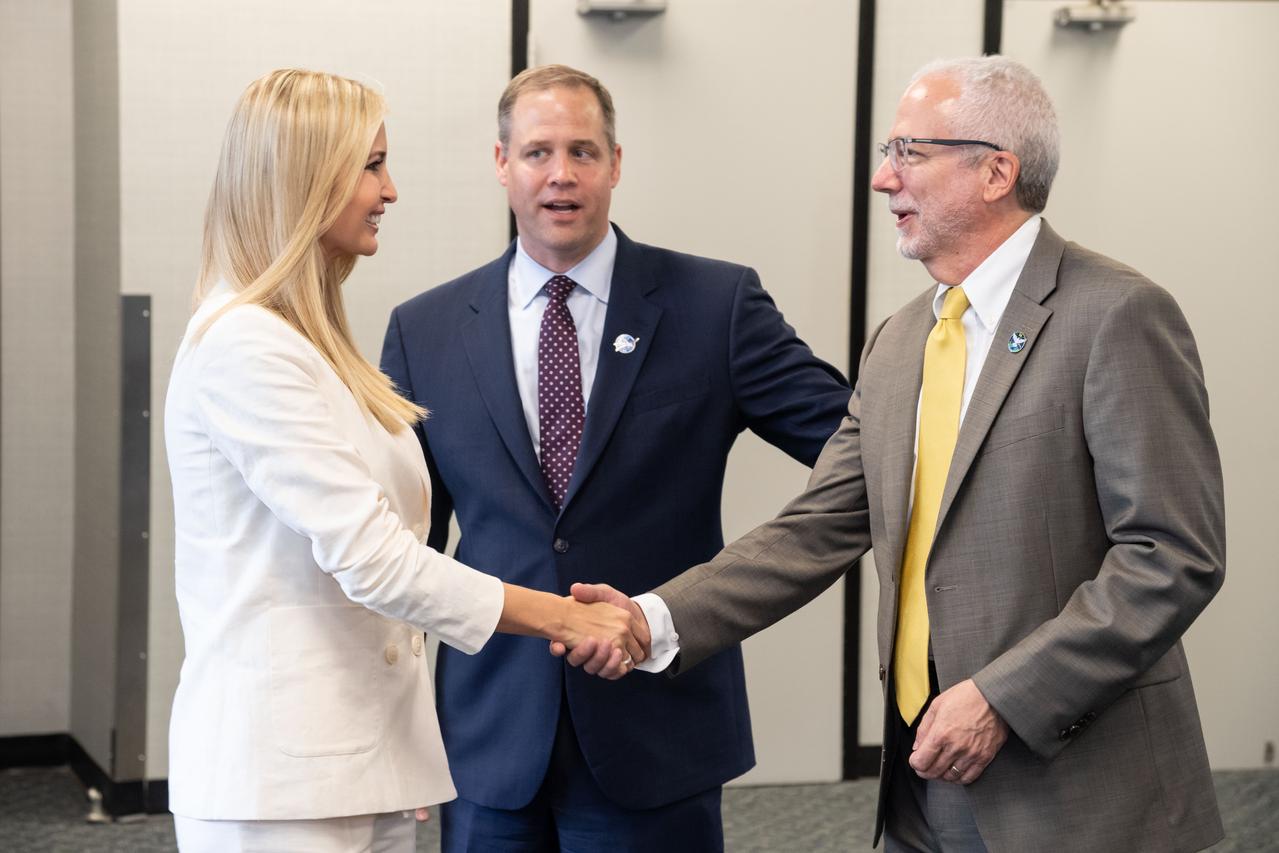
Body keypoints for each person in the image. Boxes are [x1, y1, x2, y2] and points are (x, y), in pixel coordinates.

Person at [570, 56, 1226, 852]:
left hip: (1077, 791)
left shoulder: (1116, 315)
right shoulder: (898, 340)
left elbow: (1169, 555)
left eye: (908, 152)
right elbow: (817, 526)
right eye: (889, 153)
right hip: (922, 776)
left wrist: (1002, 695)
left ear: (995, 172)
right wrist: (654, 618)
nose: (883, 178)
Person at [163, 68, 644, 853]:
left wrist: (398, 747)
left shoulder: (308, 342)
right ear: (307, 178)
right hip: (279, 781)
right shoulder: (244, 346)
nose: (389, 190)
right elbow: (375, 560)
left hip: (356, 762)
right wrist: (564, 615)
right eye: (372, 166)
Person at [380, 64, 851, 851]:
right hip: (488, 731)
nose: (560, 174)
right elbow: (402, 545)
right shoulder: (424, 330)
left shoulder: (714, 306)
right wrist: (392, 724)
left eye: (582, 151)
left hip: (655, 725)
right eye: (537, 152)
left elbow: (854, 448)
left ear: (615, 163)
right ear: (501, 164)